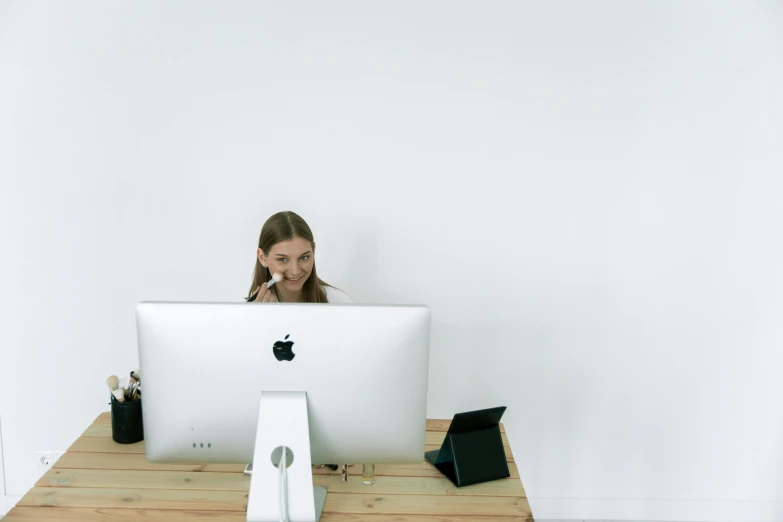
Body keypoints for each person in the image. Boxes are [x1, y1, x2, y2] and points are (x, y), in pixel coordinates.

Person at [247, 211, 351, 304]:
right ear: (262, 258)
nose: (295, 271)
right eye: (282, 259)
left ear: (313, 251)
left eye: (304, 257)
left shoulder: (338, 302)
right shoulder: (247, 313)